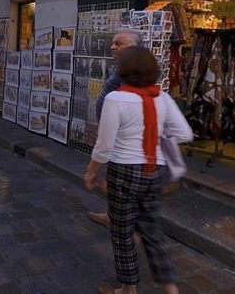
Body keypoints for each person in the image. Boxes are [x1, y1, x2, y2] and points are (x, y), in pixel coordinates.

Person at [84, 46, 193, 294]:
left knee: (122, 234)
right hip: (154, 171)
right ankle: (171, 288)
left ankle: (128, 290)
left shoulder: (116, 99)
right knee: (152, 231)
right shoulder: (162, 98)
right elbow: (184, 133)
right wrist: (154, 133)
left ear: (123, 71)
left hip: (123, 172)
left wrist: (91, 172)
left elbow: (104, 147)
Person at [89, 30, 144, 227]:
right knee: (113, 177)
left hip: (119, 137)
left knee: (113, 178)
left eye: (119, 43)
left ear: (134, 47)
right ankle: (117, 215)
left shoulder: (133, 70)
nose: (113, 47)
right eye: (113, 43)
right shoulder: (127, 66)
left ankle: (119, 219)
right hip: (116, 134)